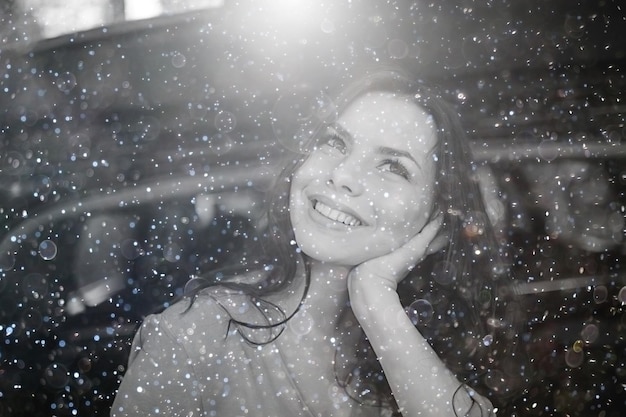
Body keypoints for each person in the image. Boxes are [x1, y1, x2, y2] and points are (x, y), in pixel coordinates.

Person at [111, 70, 510, 416]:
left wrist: (376, 300)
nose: (343, 175)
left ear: (436, 219)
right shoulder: (200, 330)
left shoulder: (439, 343)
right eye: (335, 142)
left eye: (392, 166)